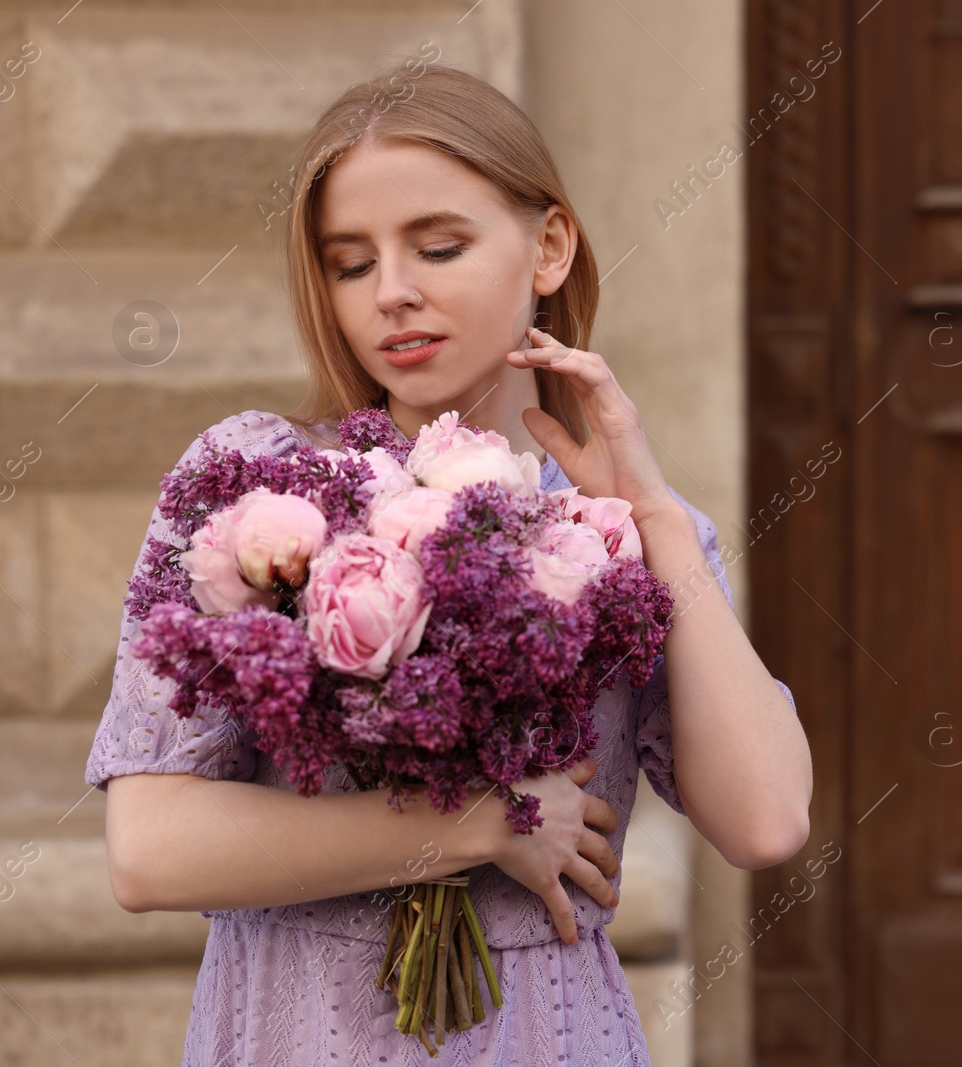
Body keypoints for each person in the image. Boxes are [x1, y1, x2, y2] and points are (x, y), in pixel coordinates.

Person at [84, 61, 813, 1066]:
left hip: (546, 1035)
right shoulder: (252, 490)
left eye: (438, 245)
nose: (392, 292)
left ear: (549, 245)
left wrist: (656, 518)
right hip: (298, 1030)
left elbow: (766, 819)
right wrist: (472, 823)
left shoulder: (628, 532)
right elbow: (150, 848)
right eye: (349, 262)